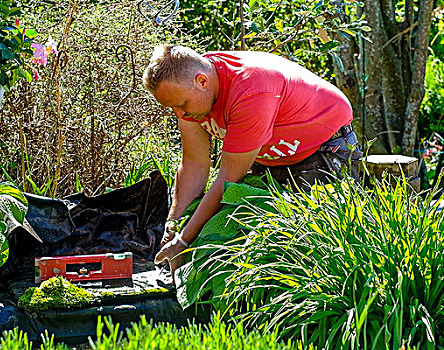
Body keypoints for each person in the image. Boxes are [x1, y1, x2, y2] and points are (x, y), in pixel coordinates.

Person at [142, 45, 362, 274]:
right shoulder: (190, 89)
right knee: (258, 248)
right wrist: (174, 224)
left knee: (317, 249)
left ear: (202, 81)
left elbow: (228, 179)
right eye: (173, 108)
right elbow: (194, 165)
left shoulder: (251, 89)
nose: (180, 115)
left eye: (181, 105)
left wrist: (184, 241)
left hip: (321, 148)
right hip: (269, 154)